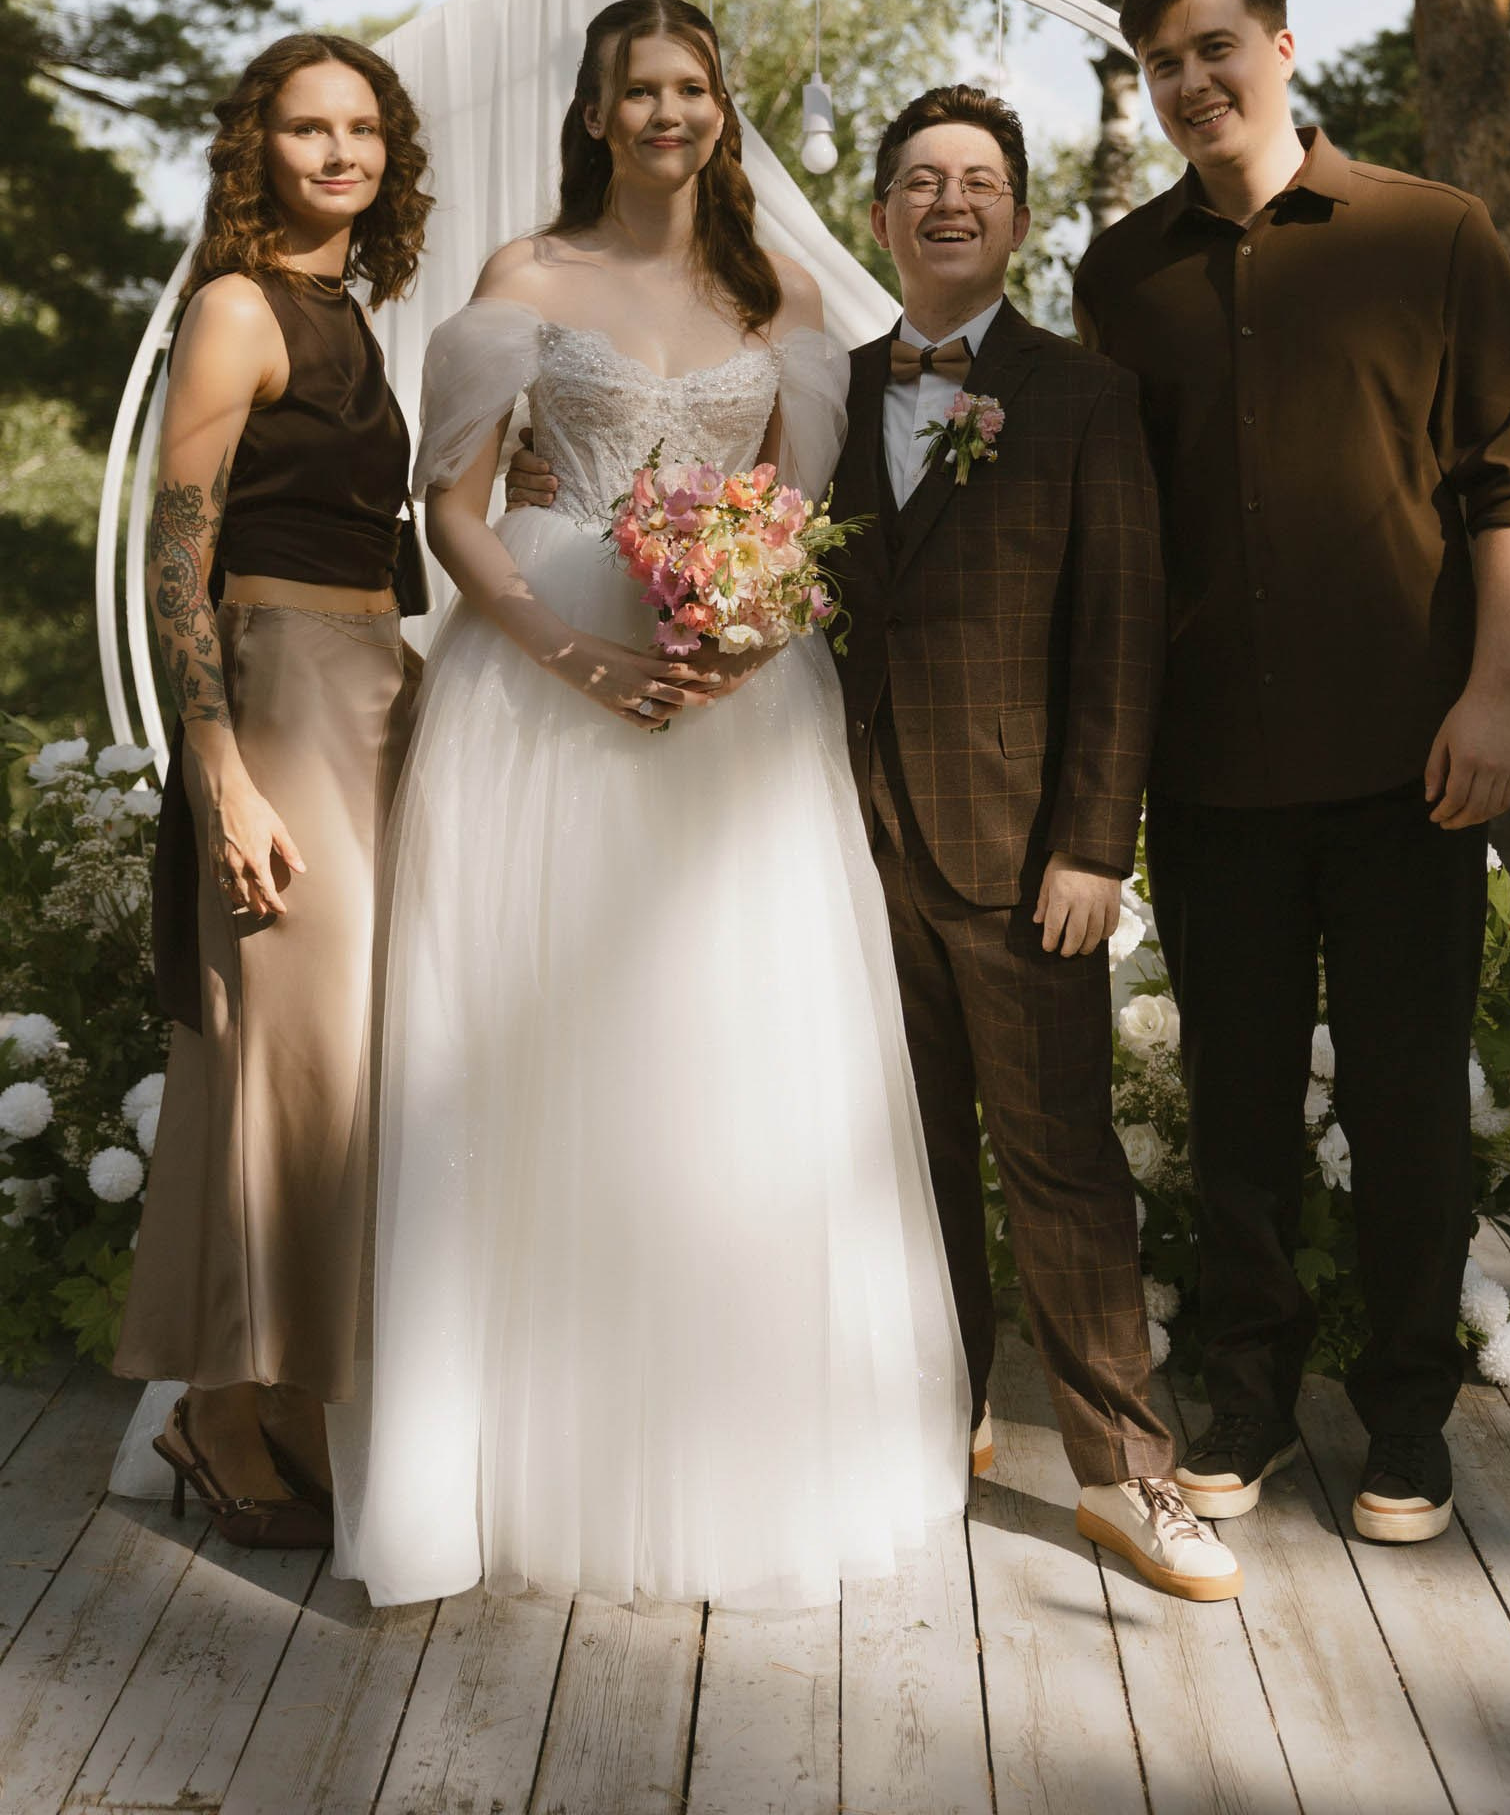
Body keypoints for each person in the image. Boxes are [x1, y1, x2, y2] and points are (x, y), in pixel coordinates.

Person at [509, 79, 1239, 1604]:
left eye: (978, 181)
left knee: (1059, 1161)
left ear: (1018, 216)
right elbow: (723, 548)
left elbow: (1121, 641)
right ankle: (933, 1416)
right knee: (893, 1158)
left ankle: (1126, 1473)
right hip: (830, 844)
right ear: (881, 214)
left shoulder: (1083, 399)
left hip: (1018, 851)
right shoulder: (825, 390)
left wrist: (1093, 846)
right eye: (920, 180)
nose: (948, 202)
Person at [332, 0, 967, 1611]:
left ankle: (737, 1448)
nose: (668, 113)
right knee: (536, 1058)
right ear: (595, 113)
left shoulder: (783, 295)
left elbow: (800, 513)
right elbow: (453, 508)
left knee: (728, 1051)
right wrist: (561, 648)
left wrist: (749, 632)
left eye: (692, 86)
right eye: (639, 90)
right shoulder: (527, 280)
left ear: (720, 109)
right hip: (541, 690)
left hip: (737, 705)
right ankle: (515, 1460)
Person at [1074, 0, 1510, 1544]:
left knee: (1409, 1099)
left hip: (1411, 760)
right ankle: (1251, 1399)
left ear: (1282, 47)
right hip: (1211, 769)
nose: (1191, 82)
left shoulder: (1432, 235)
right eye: (1162, 63)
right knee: (1236, 1107)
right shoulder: (1122, 277)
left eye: (1213, 47)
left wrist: (1493, 693)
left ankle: (1409, 1417)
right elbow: (1116, 526)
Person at [114, 32, 429, 1545]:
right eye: (310, 129)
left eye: (362, 128)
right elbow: (173, 556)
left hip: (370, 688)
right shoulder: (236, 306)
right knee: (283, 1065)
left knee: (344, 1065)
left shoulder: (348, 309)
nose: (340, 152)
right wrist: (221, 774)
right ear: (261, 148)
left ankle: (291, 1389)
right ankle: (222, 1407)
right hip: (281, 694)